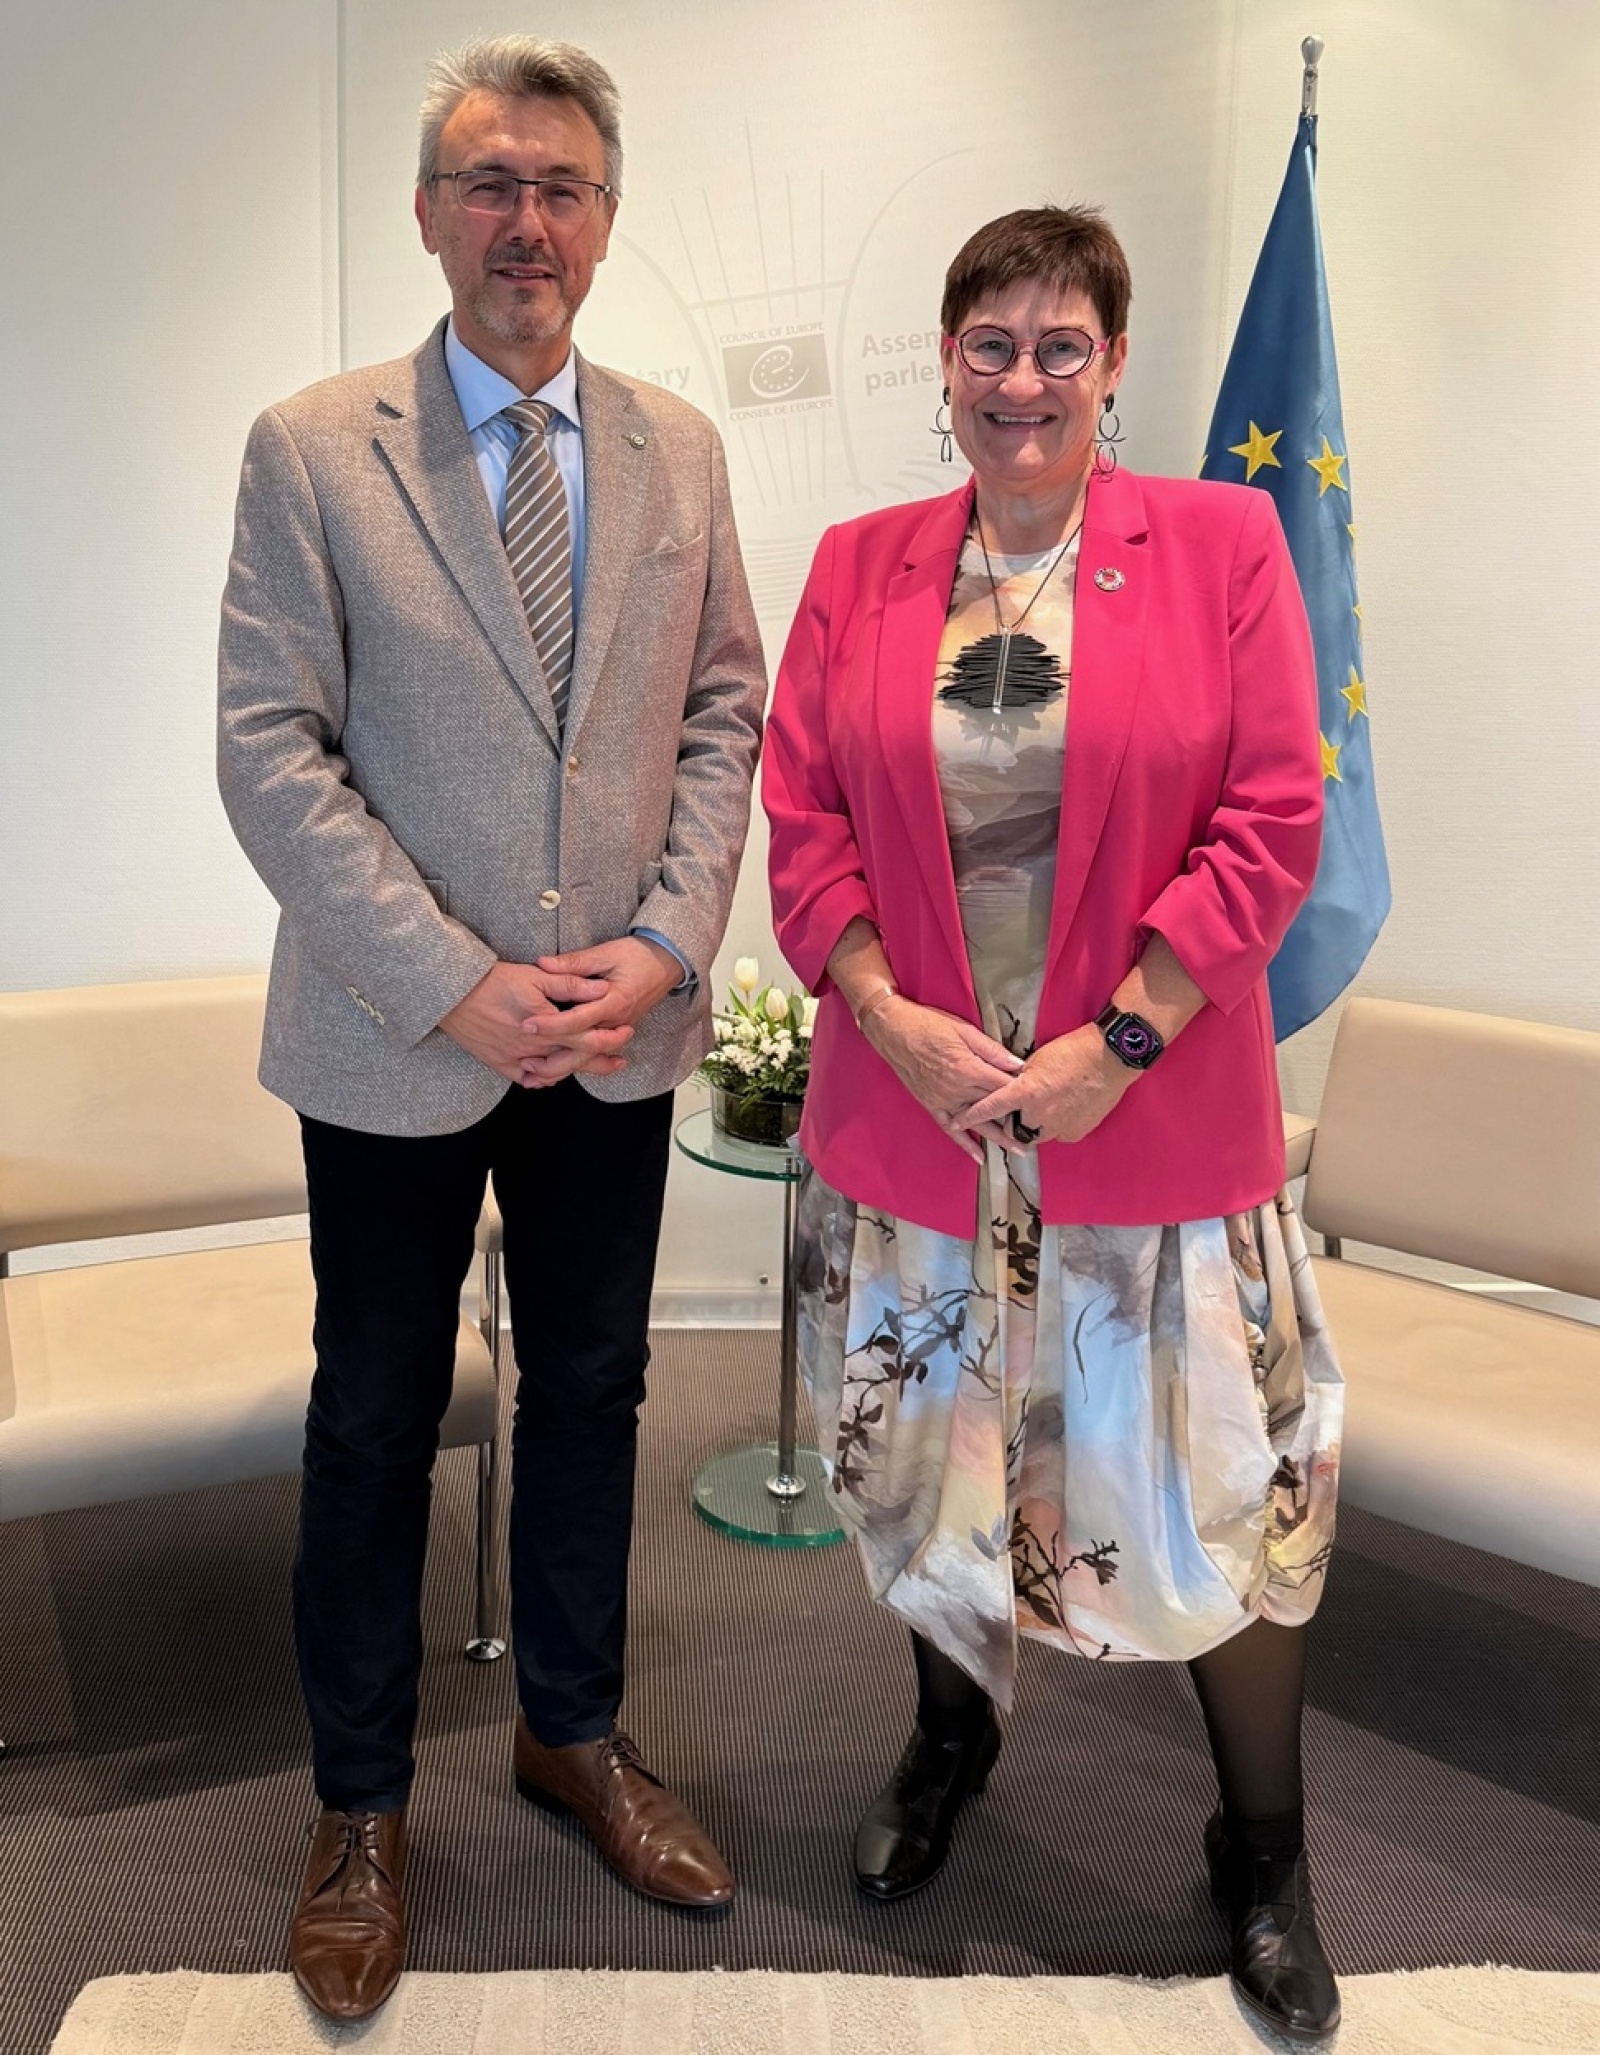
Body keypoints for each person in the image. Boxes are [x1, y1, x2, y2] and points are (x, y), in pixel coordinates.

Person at [218, 35, 765, 2023]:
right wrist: (454, 976)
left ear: (605, 221)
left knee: (596, 1387)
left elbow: (724, 708)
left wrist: (667, 941)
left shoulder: (679, 450)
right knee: (374, 1415)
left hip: (610, 1032)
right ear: (432, 215)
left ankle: (573, 1730)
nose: (527, 221)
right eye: (490, 185)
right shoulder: (313, 447)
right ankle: (360, 1806)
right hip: (396, 1032)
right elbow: (269, 750)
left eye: (561, 188)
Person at [764, 205, 1343, 2043]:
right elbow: (803, 824)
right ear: (946, 367)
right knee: (937, 1481)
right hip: (926, 1134)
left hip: (1143, 1132)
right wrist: (883, 1015)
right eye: (990, 345)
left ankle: (1266, 1847)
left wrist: (1123, 1041)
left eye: (1061, 344)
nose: (1024, 379)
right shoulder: (859, 566)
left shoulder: (1225, 548)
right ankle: (952, 1744)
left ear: (1113, 364)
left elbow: (1274, 820)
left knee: (1213, 1500)